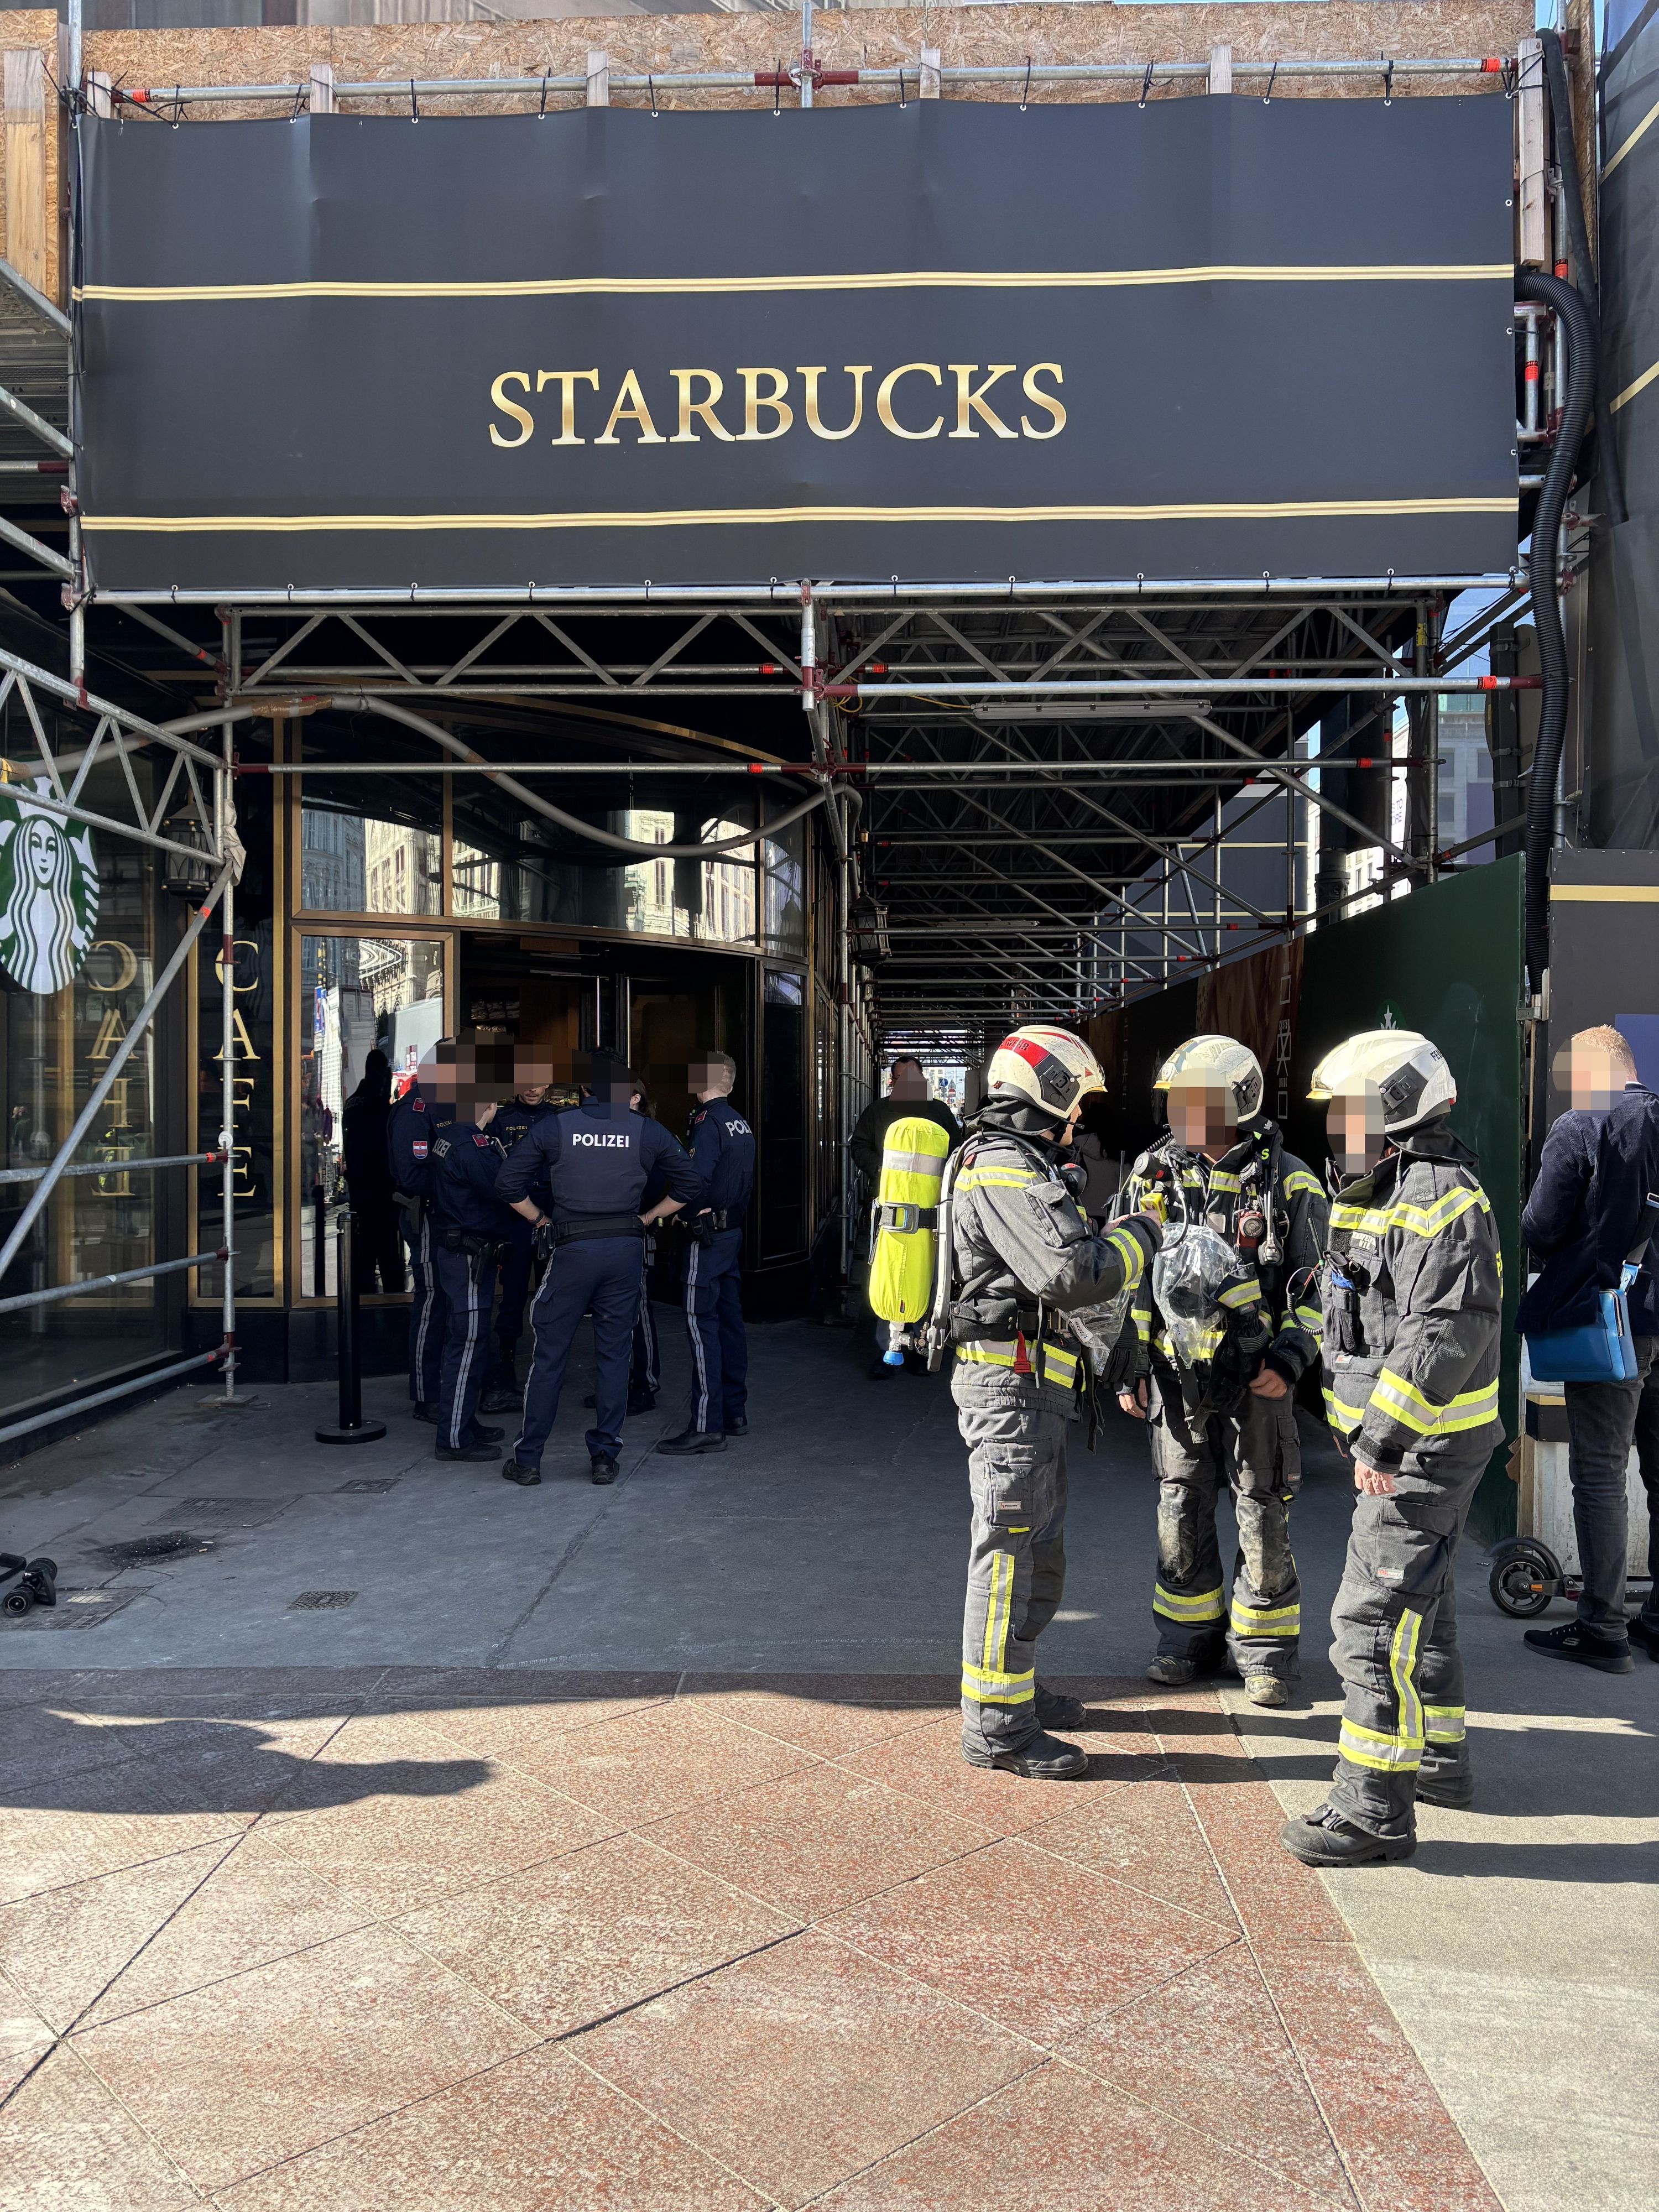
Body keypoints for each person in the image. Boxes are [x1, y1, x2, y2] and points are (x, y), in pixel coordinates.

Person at [1281, 1029, 1503, 1869]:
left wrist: (1379, 1438)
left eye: (1352, 1112)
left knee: (1370, 1625)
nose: (1340, 1128)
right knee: (1427, 1607)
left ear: (1398, 1113)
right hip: (1413, 1444)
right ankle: (1439, 1763)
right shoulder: (1376, 1191)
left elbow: (1440, 1333)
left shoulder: (1440, 1200)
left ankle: (1372, 1811)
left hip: (1420, 1449)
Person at [948, 1024, 1162, 1779]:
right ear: (1048, 1090)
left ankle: (1016, 1691)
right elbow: (1072, 1276)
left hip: (1034, 1387)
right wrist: (1141, 1234)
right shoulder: (1004, 1164)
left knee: (1037, 1548)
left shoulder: (1025, 1162)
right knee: (1007, 1554)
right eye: (1075, 1099)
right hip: (1010, 1389)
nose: (1079, 1117)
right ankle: (997, 1728)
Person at [1117, 1035, 1328, 1707]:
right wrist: (1129, 1362)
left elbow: (1318, 1288)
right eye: (1177, 1100)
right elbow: (1128, 1278)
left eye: (1197, 1101)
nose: (1182, 1111)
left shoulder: (1289, 1180)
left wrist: (1289, 1360)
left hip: (1257, 1378)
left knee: (1262, 1506)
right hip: (1175, 1379)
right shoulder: (1151, 1174)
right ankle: (1186, 1641)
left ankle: (1265, 1654)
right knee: (1180, 1503)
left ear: (1239, 1102)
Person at [1516, 1024, 1659, 1671]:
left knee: (1600, 1471)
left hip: (1612, 1324)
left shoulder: (1582, 1125)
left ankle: (1603, 1626)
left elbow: (1541, 1226)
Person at [497, 1057, 702, 1486]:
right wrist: (650, 1217)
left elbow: (507, 1183)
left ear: (587, 1092)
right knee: (615, 1355)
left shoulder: (558, 1125)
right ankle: (605, 1457)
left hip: (572, 1248)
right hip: (624, 1250)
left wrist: (540, 1220)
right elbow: (691, 1184)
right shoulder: (646, 1130)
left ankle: (529, 1459)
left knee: (549, 1355)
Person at [659, 1052, 758, 1455]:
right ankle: (734, 1412)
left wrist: (659, 1213)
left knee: (702, 1326)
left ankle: (706, 1425)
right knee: (730, 1322)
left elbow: (693, 1180)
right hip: (731, 1232)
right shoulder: (739, 1121)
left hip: (706, 1236)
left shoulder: (707, 1122)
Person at [426, 1051, 520, 1464]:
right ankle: (454, 1439)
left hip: (459, 1250)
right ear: (489, 1104)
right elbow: (501, 1189)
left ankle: (462, 1421)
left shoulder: (449, 1137)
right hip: (468, 1254)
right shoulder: (474, 1144)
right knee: (467, 1342)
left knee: (462, 1340)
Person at [850, 1056, 963, 1378]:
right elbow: (859, 1146)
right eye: (897, 1078)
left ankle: (920, 1349)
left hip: (930, 1214)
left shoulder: (940, 1112)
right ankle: (886, 1349)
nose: (899, 1083)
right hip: (889, 1211)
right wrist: (881, 1170)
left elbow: (956, 1155)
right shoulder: (878, 1111)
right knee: (886, 1277)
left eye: (906, 1078)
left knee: (926, 1279)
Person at [387, 1040, 461, 1422]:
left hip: (454, 1218)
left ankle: (448, 1387)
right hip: (430, 1217)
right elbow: (413, 1175)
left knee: (452, 1305)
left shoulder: (453, 1106)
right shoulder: (415, 1110)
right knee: (432, 1303)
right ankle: (425, 1392)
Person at [483, 1053, 557, 1413]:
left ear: (549, 1084)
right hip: (514, 1220)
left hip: (552, 1220)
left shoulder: (560, 1119)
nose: (532, 1089)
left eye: (539, 1082)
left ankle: (547, 1373)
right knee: (512, 1300)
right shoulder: (500, 1119)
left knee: (552, 1301)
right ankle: (504, 1372)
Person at [341, 1048, 403, 1293]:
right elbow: (385, 1148)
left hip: (359, 1188)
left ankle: (364, 1296)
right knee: (388, 1252)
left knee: (363, 1251)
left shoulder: (353, 1102)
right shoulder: (378, 1105)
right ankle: (392, 1301)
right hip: (380, 1189)